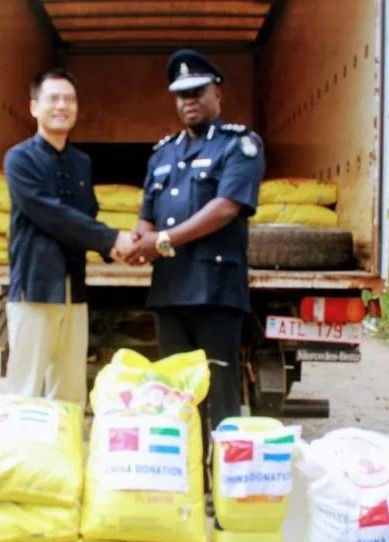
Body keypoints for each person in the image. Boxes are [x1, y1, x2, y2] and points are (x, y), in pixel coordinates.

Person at [126, 50, 266, 479]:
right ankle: (187, 480)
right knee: (176, 394)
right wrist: (137, 241)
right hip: (169, 290)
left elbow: (225, 207)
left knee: (221, 392)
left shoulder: (239, 145)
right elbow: (146, 213)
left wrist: (162, 240)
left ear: (217, 94)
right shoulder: (162, 155)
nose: (189, 100)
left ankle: (227, 486)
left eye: (197, 92)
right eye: (181, 94)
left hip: (215, 291)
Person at [3, 68, 140, 408]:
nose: (62, 105)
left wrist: (117, 250)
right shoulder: (19, 159)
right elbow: (51, 214)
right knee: (26, 392)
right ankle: (23, 459)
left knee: (70, 393)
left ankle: (64, 459)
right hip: (34, 290)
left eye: (70, 99)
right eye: (54, 99)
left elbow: (85, 217)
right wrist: (112, 240)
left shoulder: (81, 163)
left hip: (74, 293)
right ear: (34, 107)